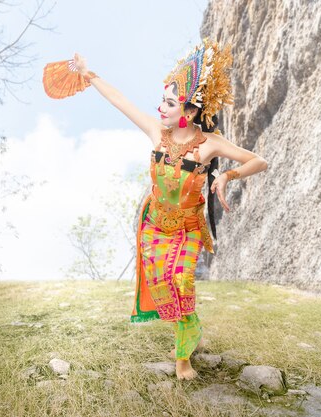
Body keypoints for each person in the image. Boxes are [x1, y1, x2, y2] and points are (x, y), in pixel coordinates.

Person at [73, 38, 268, 380]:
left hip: (189, 228)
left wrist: (226, 175)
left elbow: (259, 161)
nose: (160, 108)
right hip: (155, 225)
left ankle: (183, 359)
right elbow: (121, 101)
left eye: (168, 103)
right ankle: (188, 327)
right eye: (161, 101)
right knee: (163, 284)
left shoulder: (210, 144)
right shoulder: (156, 132)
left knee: (182, 279)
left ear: (189, 112)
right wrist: (90, 76)